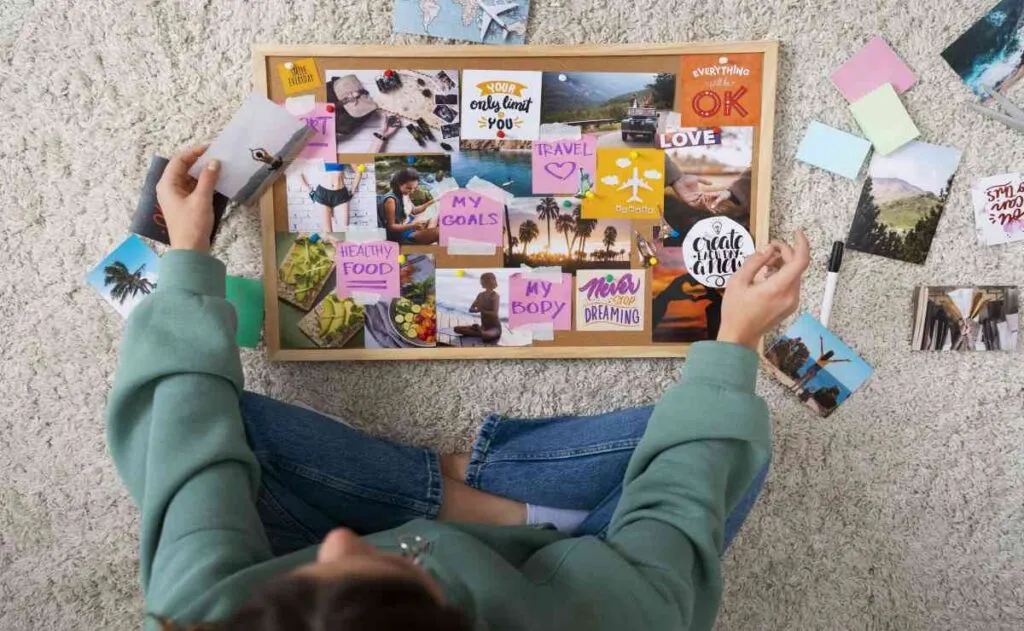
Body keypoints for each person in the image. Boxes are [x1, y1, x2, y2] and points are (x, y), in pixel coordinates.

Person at [109, 145, 810, 630]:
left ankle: (470, 495)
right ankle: (523, 515)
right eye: (384, 568)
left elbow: (183, 444)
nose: (341, 542)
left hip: (370, 543)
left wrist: (188, 254)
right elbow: (674, 524)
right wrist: (736, 337)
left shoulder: (203, 613)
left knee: (215, 424)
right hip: (561, 585)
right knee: (728, 435)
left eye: (308, 574)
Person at [378, 167, 438, 244]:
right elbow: (391, 227)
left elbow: (414, 211)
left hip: (410, 223)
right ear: (399, 184)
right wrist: (413, 226)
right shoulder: (391, 200)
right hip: (401, 235)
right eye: (409, 188)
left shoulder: (404, 193)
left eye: (414, 188)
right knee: (438, 232)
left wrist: (435, 200)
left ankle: (426, 235)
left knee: (437, 216)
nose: (412, 191)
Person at [452, 272, 502, 343]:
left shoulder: (495, 296)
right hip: (483, 327)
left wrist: (481, 310)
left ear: (488, 282)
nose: (480, 283)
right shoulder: (480, 295)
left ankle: (479, 331)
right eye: (481, 281)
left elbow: (494, 314)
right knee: (456, 329)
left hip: (494, 328)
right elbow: (471, 309)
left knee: (487, 335)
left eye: (482, 281)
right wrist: (477, 310)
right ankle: (479, 330)